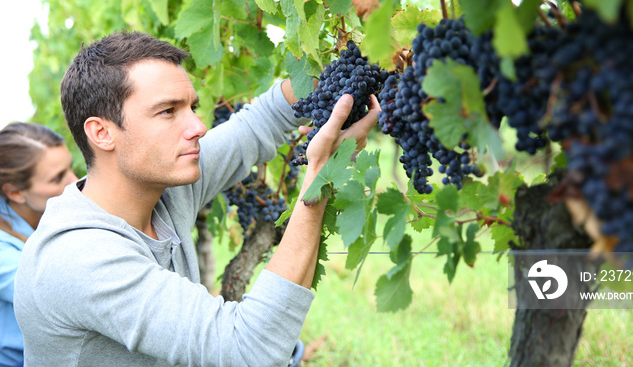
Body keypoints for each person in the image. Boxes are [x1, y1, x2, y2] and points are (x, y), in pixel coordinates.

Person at [14, 31, 379, 366]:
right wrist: (319, 175)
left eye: (192, 107)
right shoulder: (79, 259)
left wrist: (367, 58)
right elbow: (250, 350)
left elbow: (259, 123)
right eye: (168, 111)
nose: (198, 126)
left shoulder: (160, 188)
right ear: (102, 133)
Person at [0, 122, 78, 366]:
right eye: (57, 178)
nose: (74, 181)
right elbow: (61, 292)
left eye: (70, 168)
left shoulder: (47, 214)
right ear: (15, 193)